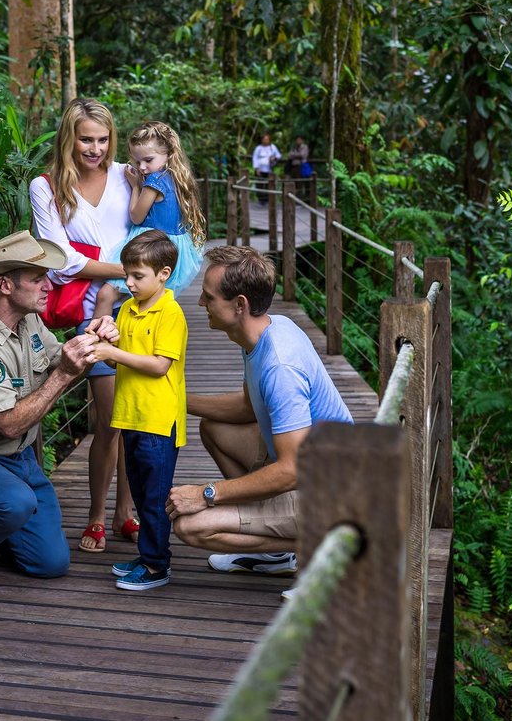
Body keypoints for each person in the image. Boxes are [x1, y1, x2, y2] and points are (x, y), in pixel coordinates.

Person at [0, 230, 116, 585]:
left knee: (51, 564)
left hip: (19, 459)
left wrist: (96, 340)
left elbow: (63, 357)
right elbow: (10, 425)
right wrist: (62, 376)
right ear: (5, 286)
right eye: (37, 278)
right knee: (14, 503)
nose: (48, 287)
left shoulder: (28, 320)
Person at [166, 245, 353, 572]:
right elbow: (248, 406)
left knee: (190, 525)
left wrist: (207, 494)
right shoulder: (265, 330)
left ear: (240, 305)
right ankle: (274, 548)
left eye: (209, 298)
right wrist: (176, 400)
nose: (200, 304)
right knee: (213, 428)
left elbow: (292, 469)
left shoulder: (280, 365)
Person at [29, 98, 137, 553]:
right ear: (68, 138)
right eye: (85, 139)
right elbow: (59, 261)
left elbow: (155, 230)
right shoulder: (47, 186)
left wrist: (131, 276)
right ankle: (95, 513)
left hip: (143, 308)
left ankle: (125, 513)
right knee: (110, 419)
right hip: (91, 315)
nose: (95, 148)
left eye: (102, 138)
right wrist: (128, 270)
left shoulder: (128, 176)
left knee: (139, 420)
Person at [83, 231, 188, 591]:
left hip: (158, 420)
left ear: (164, 273)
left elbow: (159, 365)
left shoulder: (170, 313)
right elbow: (121, 362)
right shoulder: (128, 308)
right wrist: (106, 338)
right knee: (142, 494)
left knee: (155, 497)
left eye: (137, 276)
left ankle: (158, 566)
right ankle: (147, 556)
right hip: (130, 414)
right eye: (126, 275)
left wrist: (113, 353)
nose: (127, 283)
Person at [94, 120, 206, 316]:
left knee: (105, 295)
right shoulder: (176, 176)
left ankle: (94, 343)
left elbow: (136, 216)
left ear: (167, 154)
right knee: (146, 302)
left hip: (150, 248)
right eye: (137, 162)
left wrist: (136, 185)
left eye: (148, 160)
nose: (142, 167)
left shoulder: (154, 181)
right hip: (171, 248)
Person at [251, 134, 282, 206]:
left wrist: (274, 158)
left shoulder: (272, 147)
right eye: (264, 139)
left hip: (269, 169)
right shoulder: (258, 148)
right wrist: (256, 168)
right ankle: (261, 200)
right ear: (262, 140)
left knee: (269, 184)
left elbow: (279, 155)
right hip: (260, 169)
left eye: (267, 139)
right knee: (260, 184)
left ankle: (268, 199)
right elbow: (255, 158)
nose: (266, 141)